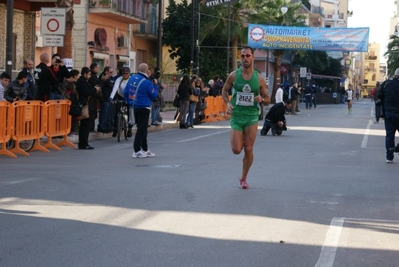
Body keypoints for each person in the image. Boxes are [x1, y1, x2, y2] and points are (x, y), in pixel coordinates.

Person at [221, 45, 270, 189]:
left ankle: (243, 177)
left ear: (253, 57)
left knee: (248, 148)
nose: (245, 58)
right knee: (237, 150)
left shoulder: (259, 79)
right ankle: (239, 136)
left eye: (248, 55)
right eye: (242, 56)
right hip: (237, 116)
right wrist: (228, 103)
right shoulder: (233, 75)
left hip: (251, 116)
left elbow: (268, 99)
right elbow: (224, 91)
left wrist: (262, 99)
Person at [124, 63, 159, 158]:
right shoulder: (147, 82)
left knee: (142, 128)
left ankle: (145, 149)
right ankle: (137, 150)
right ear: (147, 71)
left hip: (134, 106)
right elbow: (154, 96)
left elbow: (125, 92)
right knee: (141, 129)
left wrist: (130, 102)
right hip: (144, 106)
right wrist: (155, 86)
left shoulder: (131, 78)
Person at [76, 67, 101, 150]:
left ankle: (84, 143)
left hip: (87, 104)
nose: (90, 76)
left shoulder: (85, 81)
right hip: (84, 105)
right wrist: (94, 89)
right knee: (85, 125)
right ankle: (83, 143)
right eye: (89, 74)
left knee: (85, 125)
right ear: (85, 74)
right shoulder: (82, 82)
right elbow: (87, 92)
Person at [377, 68, 399, 163]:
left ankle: (389, 157)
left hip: (388, 113)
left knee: (390, 135)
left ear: (395, 74)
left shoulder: (386, 84)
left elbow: (380, 96)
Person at [110, 66, 132, 137]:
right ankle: (115, 129)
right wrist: (111, 98)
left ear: (129, 74)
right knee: (116, 112)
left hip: (129, 96)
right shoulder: (119, 79)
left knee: (130, 112)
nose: (125, 75)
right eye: (124, 73)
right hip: (120, 95)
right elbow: (115, 88)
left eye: (127, 73)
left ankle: (129, 129)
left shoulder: (131, 80)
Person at [98, 66, 114, 133]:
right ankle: (102, 127)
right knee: (104, 113)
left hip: (109, 98)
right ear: (106, 71)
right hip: (105, 98)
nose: (111, 74)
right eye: (110, 72)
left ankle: (107, 126)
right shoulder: (103, 77)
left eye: (112, 72)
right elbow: (111, 85)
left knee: (108, 114)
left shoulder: (110, 78)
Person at [88, 63, 102, 132]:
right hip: (92, 97)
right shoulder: (92, 76)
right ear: (93, 68)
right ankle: (90, 127)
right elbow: (95, 84)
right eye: (97, 67)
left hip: (95, 97)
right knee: (92, 111)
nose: (98, 69)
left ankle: (92, 127)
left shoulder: (95, 76)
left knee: (94, 112)